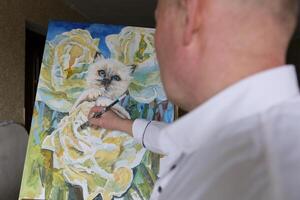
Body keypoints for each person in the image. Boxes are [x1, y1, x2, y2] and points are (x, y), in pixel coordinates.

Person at [89, 0, 300, 199]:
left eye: (159, 21)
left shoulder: (256, 183)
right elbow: (178, 141)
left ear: (191, 18)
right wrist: (120, 124)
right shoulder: (262, 140)